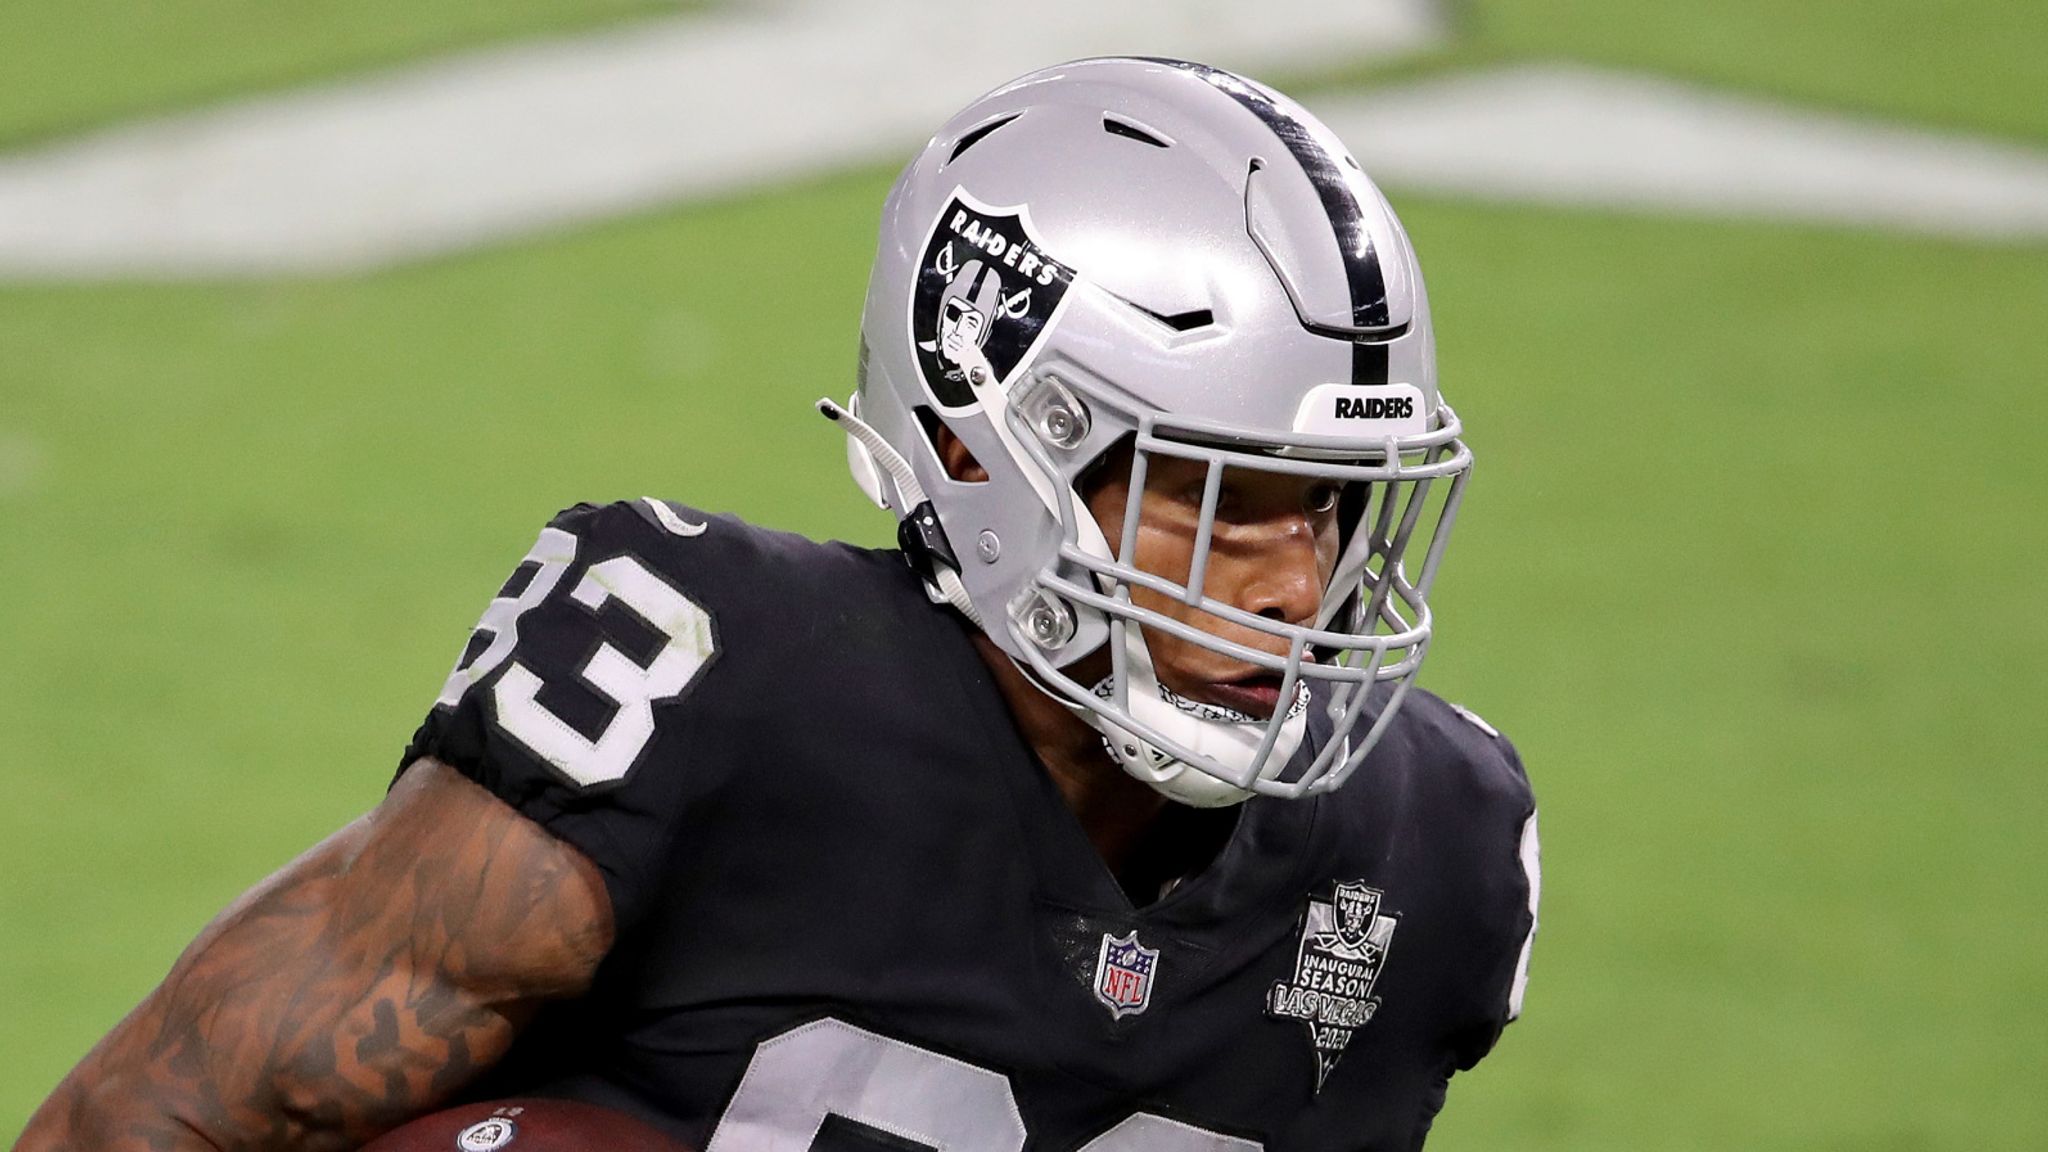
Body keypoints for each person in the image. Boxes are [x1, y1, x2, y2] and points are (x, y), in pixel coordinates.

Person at [16, 56, 1538, 1152]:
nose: (1299, 585)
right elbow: (167, 1114)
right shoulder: (712, 683)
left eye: (1332, 506)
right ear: (975, 442)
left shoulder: (1440, 854)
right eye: (1222, 506)